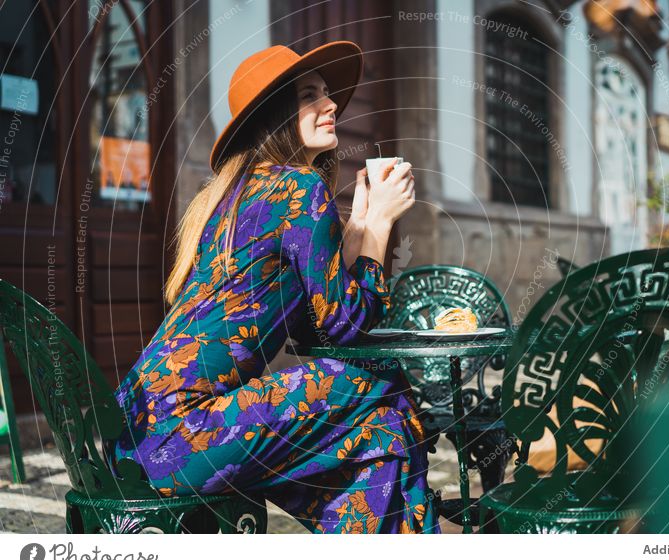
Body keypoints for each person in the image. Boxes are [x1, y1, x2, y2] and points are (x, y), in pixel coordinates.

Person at [112, 41, 439, 534]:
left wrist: (361, 224)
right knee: (382, 383)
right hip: (183, 436)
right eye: (311, 95)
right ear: (276, 114)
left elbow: (311, 319)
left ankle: (419, 542)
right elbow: (345, 328)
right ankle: (432, 539)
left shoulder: (235, 196)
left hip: (136, 435)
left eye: (328, 94)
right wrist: (382, 225)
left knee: (381, 427)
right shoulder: (296, 189)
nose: (331, 105)